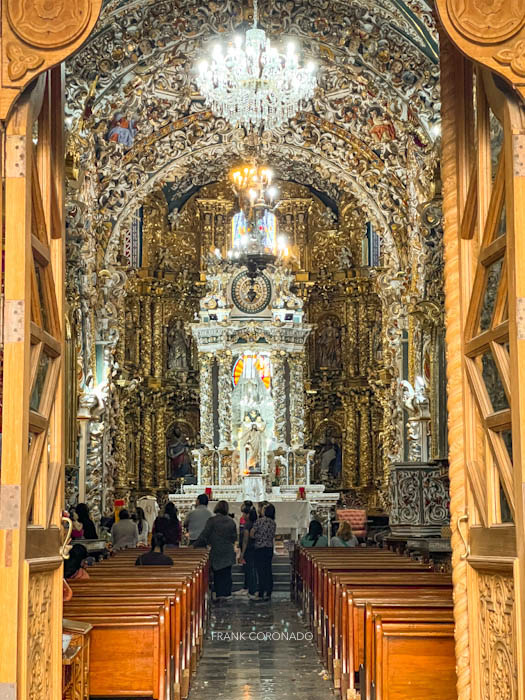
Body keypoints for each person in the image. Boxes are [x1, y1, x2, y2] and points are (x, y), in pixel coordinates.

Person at [193, 500, 237, 601]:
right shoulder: (231, 521)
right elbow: (234, 537)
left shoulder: (212, 520)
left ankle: (219, 593)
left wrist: (194, 545)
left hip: (217, 549)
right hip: (228, 550)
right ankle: (227, 593)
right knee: (227, 573)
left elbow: (204, 535)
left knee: (218, 573)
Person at [251, 503, 276, 601]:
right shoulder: (273, 523)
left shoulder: (259, 521)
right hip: (269, 548)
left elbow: (252, 534)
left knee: (260, 571)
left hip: (259, 548)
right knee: (268, 569)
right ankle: (269, 591)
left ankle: (261, 592)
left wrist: (258, 537)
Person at [235, 506, 258, 599]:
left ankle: (251, 589)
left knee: (250, 570)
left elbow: (245, 540)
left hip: (248, 550)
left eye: (244, 513)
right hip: (254, 549)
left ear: (248, 515)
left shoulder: (248, 525)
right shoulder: (256, 523)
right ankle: (250, 588)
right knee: (251, 569)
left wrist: (242, 554)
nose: (243, 515)